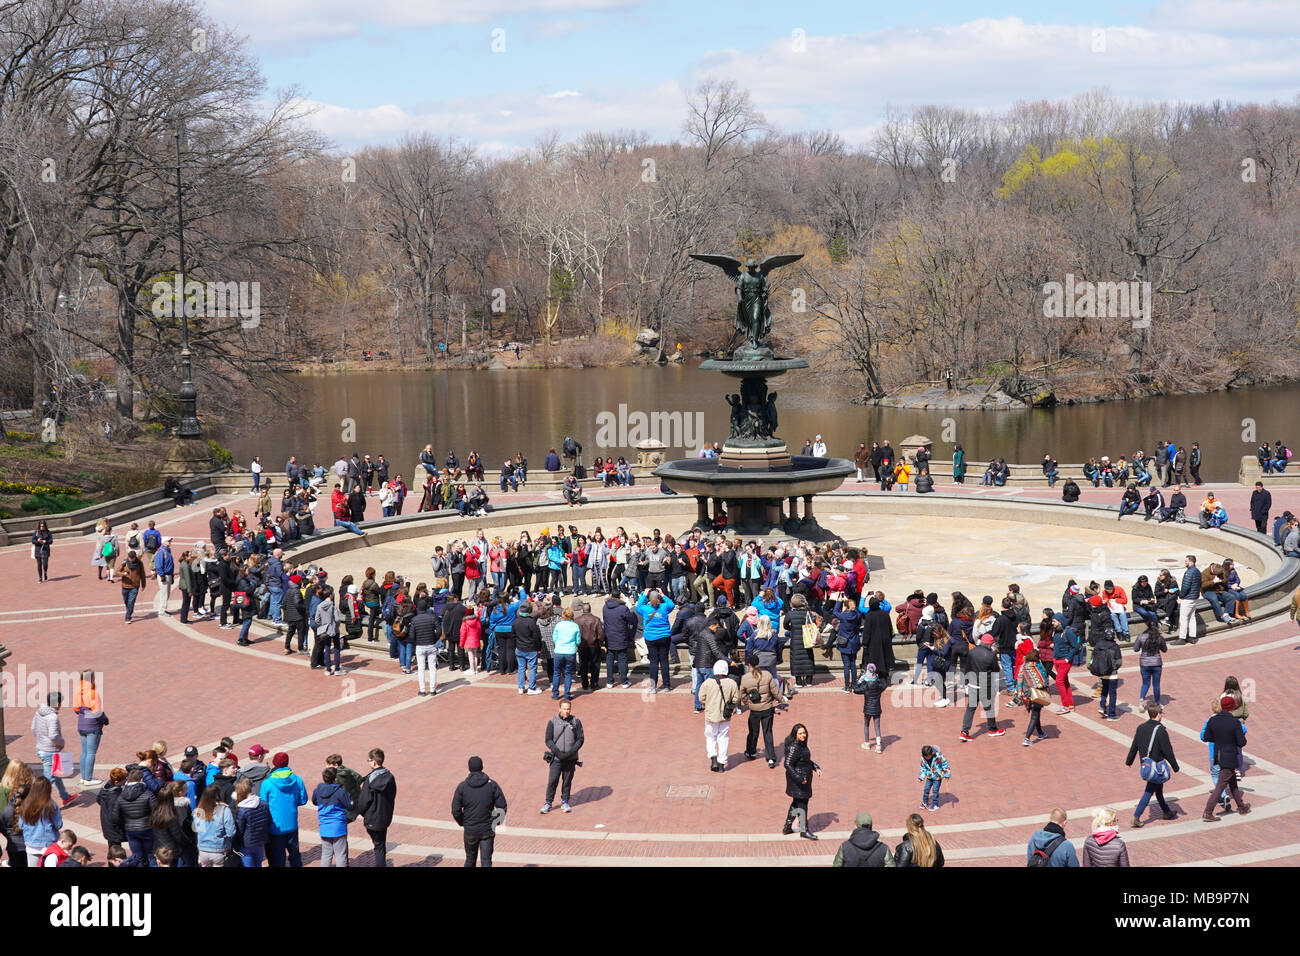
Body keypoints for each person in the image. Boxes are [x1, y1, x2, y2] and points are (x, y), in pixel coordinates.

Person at [1125, 702, 1180, 827]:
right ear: (1157, 714)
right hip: (1157, 767)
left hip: (1146, 765)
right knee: (1149, 790)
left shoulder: (1141, 727)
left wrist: (1129, 760)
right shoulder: (1160, 730)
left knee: (1158, 789)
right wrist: (1175, 766)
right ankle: (1136, 816)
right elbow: (1167, 750)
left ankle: (1167, 812)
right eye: (1161, 713)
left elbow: (1135, 746)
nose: (1162, 716)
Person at [452, 755, 507, 867]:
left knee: (470, 860)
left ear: (469, 768)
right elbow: (502, 807)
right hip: (487, 830)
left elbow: (455, 810)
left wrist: (463, 822)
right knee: (486, 862)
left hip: (470, 830)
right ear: (482, 767)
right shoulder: (492, 785)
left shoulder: (462, 787)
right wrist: (495, 822)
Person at [1201, 696, 1250, 821]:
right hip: (1229, 756)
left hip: (1217, 754)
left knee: (1232, 782)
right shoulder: (1234, 722)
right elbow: (1242, 742)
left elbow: (1206, 737)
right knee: (1221, 784)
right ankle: (1208, 811)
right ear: (1232, 707)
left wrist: (1219, 739)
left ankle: (1241, 806)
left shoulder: (1213, 720)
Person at [260, 752, 308, 867]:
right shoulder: (297, 780)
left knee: (277, 859)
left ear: (274, 764)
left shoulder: (267, 783)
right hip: (292, 824)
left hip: (275, 827)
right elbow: (303, 800)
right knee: (295, 855)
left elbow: (262, 804)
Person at [740, 653, 784, 768]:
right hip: (767, 708)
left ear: (749, 664)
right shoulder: (767, 675)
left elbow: (742, 694)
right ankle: (771, 758)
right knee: (767, 732)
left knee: (753, 732)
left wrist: (747, 704)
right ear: (758, 663)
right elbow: (775, 690)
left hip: (754, 710)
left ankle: (751, 751)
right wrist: (781, 700)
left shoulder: (745, 678)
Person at [31, 691, 74, 805]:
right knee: (48, 779)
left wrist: (41, 740)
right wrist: (62, 742)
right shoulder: (52, 717)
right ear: (58, 703)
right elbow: (53, 736)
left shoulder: (39, 712)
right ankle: (40, 803)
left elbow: (33, 729)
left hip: (41, 747)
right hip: (49, 751)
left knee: (55, 774)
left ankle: (65, 796)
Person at [542, 699, 584, 814]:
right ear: (559, 709)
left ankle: (565, 801)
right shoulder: (552, 722)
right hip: (556, 759)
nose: (566, 711)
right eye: (564, 709)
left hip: (570, 759)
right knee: (552, 781)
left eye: (568, 709)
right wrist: (557, 752)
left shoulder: (576, 721)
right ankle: (548, 803)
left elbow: (580, 739)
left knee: (567, 781)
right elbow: (548, 739)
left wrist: (571, 752)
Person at [699, 659, 741, 773]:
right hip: (725, 714)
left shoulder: (708, 682)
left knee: (710, 736)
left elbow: (701, 697)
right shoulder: (732, 683)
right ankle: (722, 763)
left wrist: (706, 704)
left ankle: (713, 758)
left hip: (711, 714)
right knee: (723, 738)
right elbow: (736, 698)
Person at [357, 748, 397, 866]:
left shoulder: (370, 780)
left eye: (369, 760)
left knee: (378, 846)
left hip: (372, 818)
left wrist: (363, 812)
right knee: (381, 845)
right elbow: (392, 795)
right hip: (385, 817)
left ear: (374, 762)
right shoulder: (390, 776)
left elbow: (364, 801)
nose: (368, 762)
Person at [960, 634, 1003, 741]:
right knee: (988, 707)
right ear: (990, 644)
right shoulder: (991, 654)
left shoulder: (972, 651)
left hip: (973, 683)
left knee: (971, 708)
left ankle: (964, 731)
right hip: (985, 684)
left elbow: (967, 667)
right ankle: (993, 729)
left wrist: (966, 681)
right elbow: (996, 669)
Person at [782, 723, 820, 840]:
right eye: (800, 733)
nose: (803, 735)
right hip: (799, 781)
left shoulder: (801, 745)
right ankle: (804, 830)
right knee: (802, 804)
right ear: (795, 735)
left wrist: (815, 767)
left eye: (804, 733)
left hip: (803, 779)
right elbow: (787, 764)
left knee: (796, 803)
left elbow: (805, 760)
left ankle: (788, 827)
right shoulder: (795, 747)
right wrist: (799, 778)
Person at [312, 766, 354, 867]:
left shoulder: (318, 790)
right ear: (335, 779)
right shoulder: (340, 792)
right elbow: (350, 806)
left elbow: (314, 801)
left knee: (326, 854)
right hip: (338, 827)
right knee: (340, 855)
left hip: (324, 827)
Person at [15, 777, 62, 866]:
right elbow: (58, 825)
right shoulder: (51, 805)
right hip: (49, 843)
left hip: (31, 843)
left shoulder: (25, 804)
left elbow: (21, 825)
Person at [73, 671, 107, 786]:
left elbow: (76, 710)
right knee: (91, 753)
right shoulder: (93, 693)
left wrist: (85, 713)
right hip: (93, 726)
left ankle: (83, 777)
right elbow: (97, 713)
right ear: (91, 679)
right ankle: (88, 778)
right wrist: (104, 718)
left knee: (84, 752)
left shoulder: (78, 692)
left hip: (81, 725)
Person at [192, 784, 237, 867]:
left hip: (202, 850)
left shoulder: (198, 811)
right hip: (218, 849)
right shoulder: (224, 810)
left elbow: (197, 830)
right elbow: (231, 832)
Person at [233, 777, 270, 867]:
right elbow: (268, 821)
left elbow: (240, 830)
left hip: (246, 844)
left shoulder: (242, 809)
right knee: (258, 864)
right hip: (260, 841)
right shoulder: (263, 804)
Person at [1018, 647, 1050, 745]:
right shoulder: (1038, 666)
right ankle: (1027, 738)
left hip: (1027, 694)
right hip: (1037, 693)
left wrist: (1020, 692)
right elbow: (1045, 679)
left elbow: (1019, 680)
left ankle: (1040, 733)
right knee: (1035, 715)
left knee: (1036, 713)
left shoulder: (1023, 666)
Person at [853, 661, 887, 753]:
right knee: (877, 726)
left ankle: (867, 743)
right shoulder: (879, 685)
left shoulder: (866, 686)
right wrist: (877, 678)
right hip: (877, 708)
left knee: (866, 725)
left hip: (867, 709)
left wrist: (860, 681)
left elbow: (855, 690)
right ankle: (878, 745)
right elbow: (884, 684)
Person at [1133, 624, 1167, 705]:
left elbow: (1135, 649)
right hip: (1157, 663)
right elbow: (1164, 650)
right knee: (1156, 684)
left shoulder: (1141, 637)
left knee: (1145, 683)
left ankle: (1141, 698)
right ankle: (1157, 702)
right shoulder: (1159, 637)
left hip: (1144, 664)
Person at [918, 744, 950, 811]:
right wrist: (921, 777)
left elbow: (945, 764)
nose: (926, 758)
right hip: (929, 776)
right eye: (925, 756)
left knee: (935, 791)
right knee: (926, 789)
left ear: (931, 754)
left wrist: (947, 775)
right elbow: (923, 768)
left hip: (937, 777)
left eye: (927, 756)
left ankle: (935, 804)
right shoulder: (923, 759)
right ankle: (925, 802)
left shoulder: (939, 756)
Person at [1177, 554, 1201, 644]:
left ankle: (1182, 638)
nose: (1185, 563)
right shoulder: (1197, 571)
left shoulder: (1189, 572)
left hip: (1188, 598)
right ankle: (1192, 637)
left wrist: (1181, 595)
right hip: (1195, 597)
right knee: (1192, 617)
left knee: (1183, 618)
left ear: (1190, 562)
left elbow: (1186, 586)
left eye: (1186, 561)